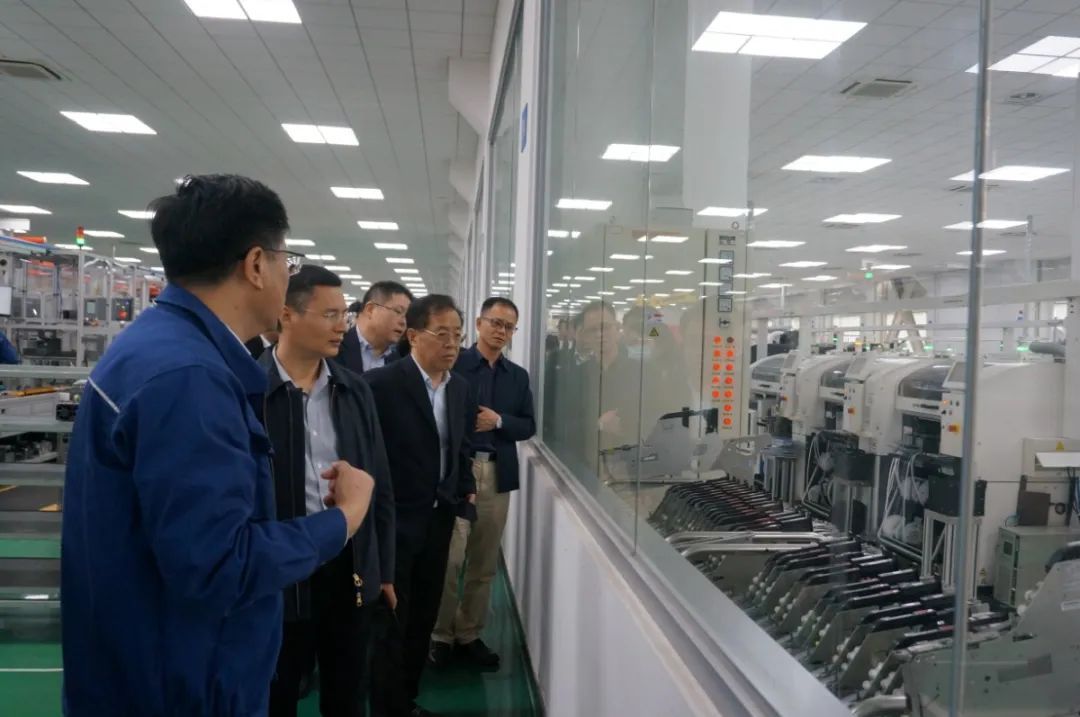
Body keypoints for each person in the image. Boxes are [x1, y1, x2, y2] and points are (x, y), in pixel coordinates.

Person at [60, 174, 376, 716]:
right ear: (255, 265)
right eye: (286, 260)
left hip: (141, 667)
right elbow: (218, 566)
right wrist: (343, 518)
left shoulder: (157, 348)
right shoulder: (190, 379)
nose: (287, 274)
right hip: (182, 684)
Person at [261, 266, 396, 717]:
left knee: (347, 693)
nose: (343, 325)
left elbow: (379, 484)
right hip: (279, 566)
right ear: (287, 315)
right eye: (330, 314)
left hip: (346, 564)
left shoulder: (353, 391)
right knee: (276, 692)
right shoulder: (251, 390)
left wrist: (383, 570)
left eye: (344, 314)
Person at [365, 295, 478, 717]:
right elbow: (367, 454)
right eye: (442, 334)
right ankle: (385, 706)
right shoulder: (382, 385)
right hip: (394, 520)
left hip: (438, 518)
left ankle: (405, 700)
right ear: (413, 336)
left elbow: (460, 445)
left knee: (424, 616)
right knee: (391, 618)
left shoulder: (460, 388)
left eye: (457, 336)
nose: (452, 344)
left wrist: (463, 487)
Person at [431, 297, 535, 669]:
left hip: (496, 473)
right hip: (457, 471)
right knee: (450, 558)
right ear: (479, 323)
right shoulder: (455, 364)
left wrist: (499, 421)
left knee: (484, 560)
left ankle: (469, 634)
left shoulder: (517, 376)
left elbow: (528, 425)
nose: (501, 331)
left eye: (508, 326)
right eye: (495, 322)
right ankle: (439, 635)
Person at [337, 281, 413, 374]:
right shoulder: (336, 347)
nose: (403, 322)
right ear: (370, 310)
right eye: (398, 311)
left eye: (407, 316)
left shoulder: (401, 361)